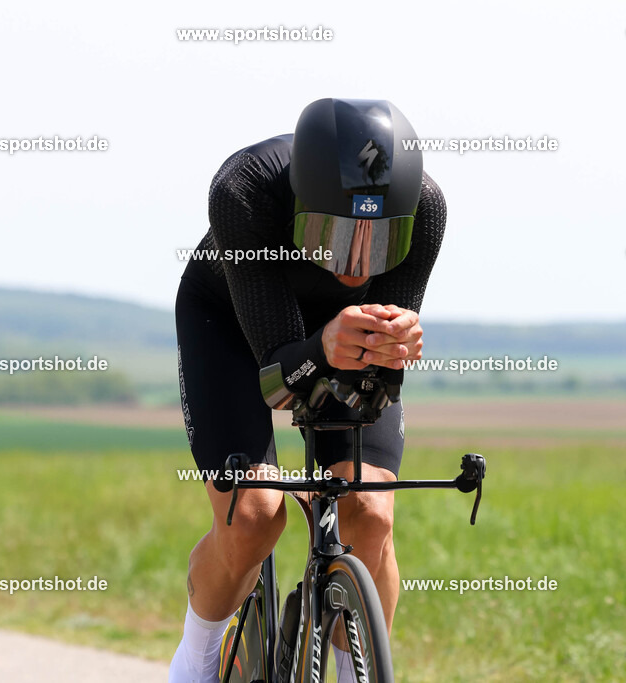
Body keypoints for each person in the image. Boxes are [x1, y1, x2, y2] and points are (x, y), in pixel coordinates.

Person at [169, 98, 446, 682]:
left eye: (377, 243)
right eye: (334, 236)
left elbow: (378, 380)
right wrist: (322, 347)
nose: (354, 265)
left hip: (336, 337)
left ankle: (354, 671)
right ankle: (194, 661)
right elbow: (276, 381)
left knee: (367, 511)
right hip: (231, 323)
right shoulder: (244, 189)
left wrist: (395, 346)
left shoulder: (426, 208)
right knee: (254, 517)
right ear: (300, 209)